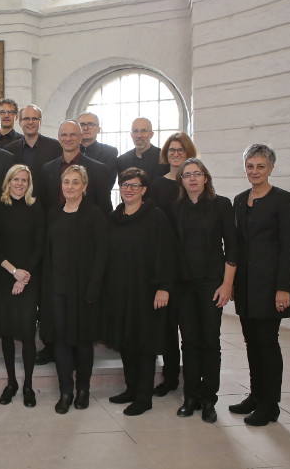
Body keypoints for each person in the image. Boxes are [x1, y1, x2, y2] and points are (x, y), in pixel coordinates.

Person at [229, 144, 290, 426]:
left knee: (267, 343)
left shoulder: (283, 199)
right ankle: (256, 396)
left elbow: (288, 246)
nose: (254, 171)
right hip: (245, 284)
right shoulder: (239, 199)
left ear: (271, 168)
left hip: (271, 285)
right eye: (250, 166)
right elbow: (235, 245)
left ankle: (271, 404)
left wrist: (283, 287)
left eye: (260, 166)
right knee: (250, 342)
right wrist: (230, 282)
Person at [105, 167, 176, 416]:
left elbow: (166, 255)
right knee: (125, 341)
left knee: (143, 344)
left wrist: (163, 288)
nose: (129, 189)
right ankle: (131, 389)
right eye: (125, 184)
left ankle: (144, 397)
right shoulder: (115, 217)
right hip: (120, 291)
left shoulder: (155, 217)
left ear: (144, 190)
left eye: (134, 185)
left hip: (147, 292)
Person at [173, 158, 237, 424]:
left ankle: (209, 398)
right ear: (182, 181)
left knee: (210, 341)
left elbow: (233, 247)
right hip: (183, 284)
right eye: (187, 175)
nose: (192, 179)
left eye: (197, 174)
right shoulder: (175, 207)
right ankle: (190, 397)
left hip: (212, 283)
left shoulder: (221, 205)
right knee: (189, 341)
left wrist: (227, 284)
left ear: (205, 178)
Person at [39, 165, 107, 414]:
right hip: (56, 289)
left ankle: (83, 389)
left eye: (75, 182)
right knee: (61, 341)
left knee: (82, 341)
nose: (70, 186)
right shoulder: (53, 213)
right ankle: (65, 390)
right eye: (66, 182)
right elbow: (47, 252)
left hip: (84, 291)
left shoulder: (95, 214)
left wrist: (93, 289)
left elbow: (102, 255)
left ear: (84, 186)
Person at [148, 132, 199, 398]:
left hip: (191, 268)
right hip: (166, 264)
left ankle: (193, 381)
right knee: (167, 329)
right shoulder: (158, 185)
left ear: (189, 153)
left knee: (189, 330)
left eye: (180, 150)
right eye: (171, 150)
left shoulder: (195, 184)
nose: (176, 154)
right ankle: (169, 378)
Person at [0, 165, 44, 408]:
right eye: (16, 179)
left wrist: (23, 277)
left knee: (26, 333)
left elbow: (39, 245)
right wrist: (13, 272)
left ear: (29, 183)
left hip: (29, 279)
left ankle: (28, 385)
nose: (20, 183)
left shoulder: (35, 208)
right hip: (4, 277)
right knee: (6, 332)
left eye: (24, 180)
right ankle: (11, 382)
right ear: (8, 181)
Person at [4, 104, 62, 184]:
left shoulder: (56, 147)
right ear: (20, 122)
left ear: (40, 122)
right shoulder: (9, 150)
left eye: (34, 118)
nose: (30, 122)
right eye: (26, 119)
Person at [77, 111, 118, 188]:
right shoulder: (69, 151)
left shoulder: (110, 152)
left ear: (99, 129)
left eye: (90, 124)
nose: (86, 128)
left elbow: (107, 182)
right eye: (82, 125)